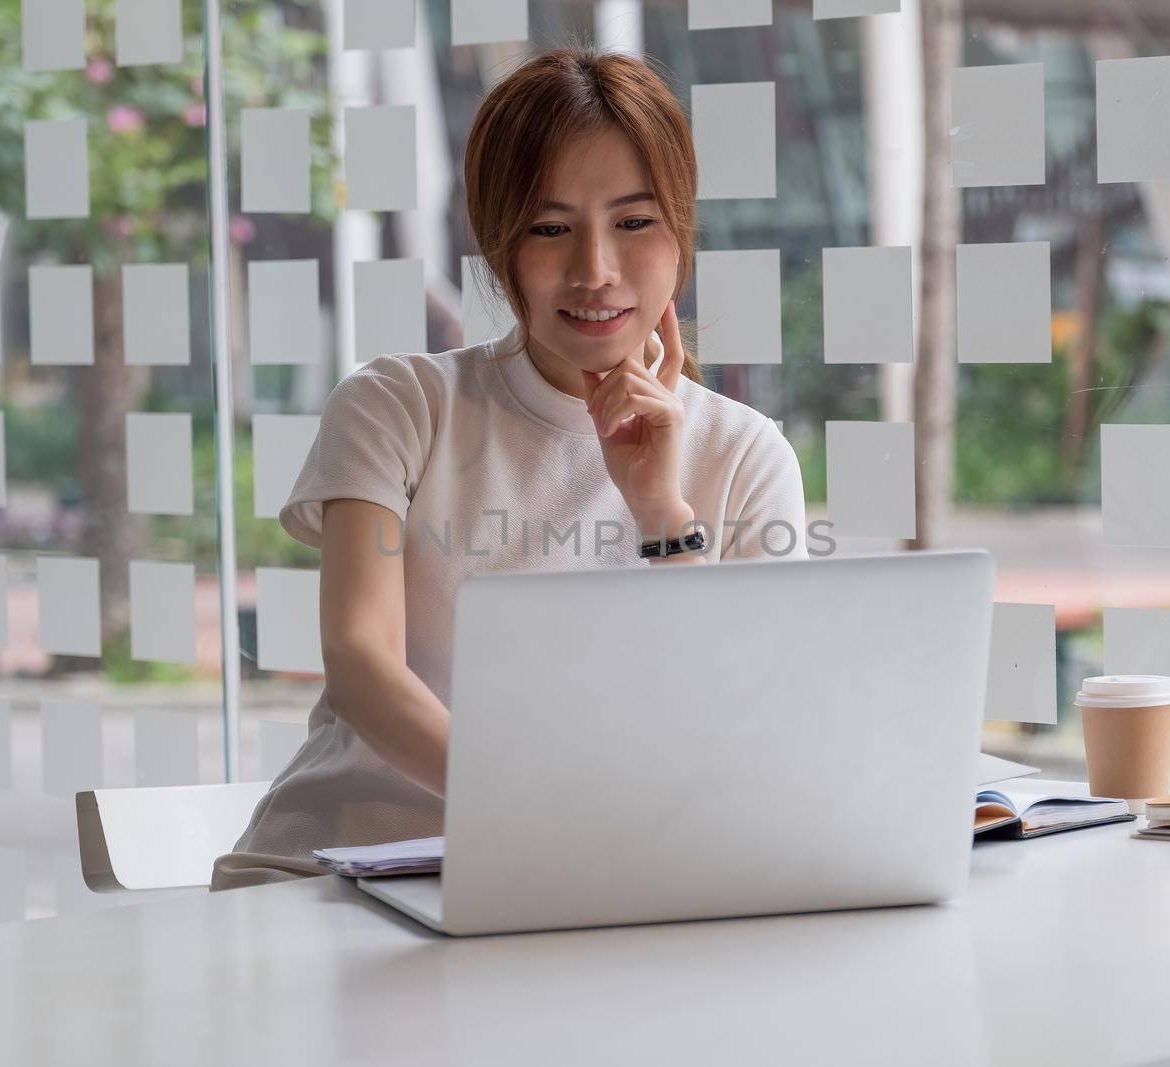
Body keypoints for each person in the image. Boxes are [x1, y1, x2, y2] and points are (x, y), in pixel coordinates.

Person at [210, 45, 809, 891]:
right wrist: (532, 811)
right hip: (339, 876)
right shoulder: (400, 404)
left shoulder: (744, 455)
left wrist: (661, 512)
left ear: (681, 234)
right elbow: (360, 657)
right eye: (549, 228)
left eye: (634, 223)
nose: (594, 270)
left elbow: (742, 725)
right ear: (500, 245)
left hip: (583, 887)